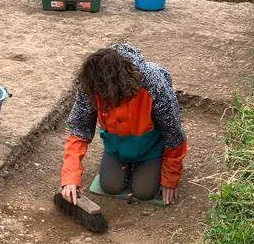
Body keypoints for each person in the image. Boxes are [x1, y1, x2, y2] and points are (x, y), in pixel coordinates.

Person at [60, 44, 188, 206]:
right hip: (116, 147)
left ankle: (149, 164)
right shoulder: (91, 84)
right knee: (110, 186)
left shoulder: (153, 84)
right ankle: (126, 164)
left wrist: (170, 177)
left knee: (144, 192)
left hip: (150, 147)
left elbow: (173, 134)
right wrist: (70, 177)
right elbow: (79, 130)